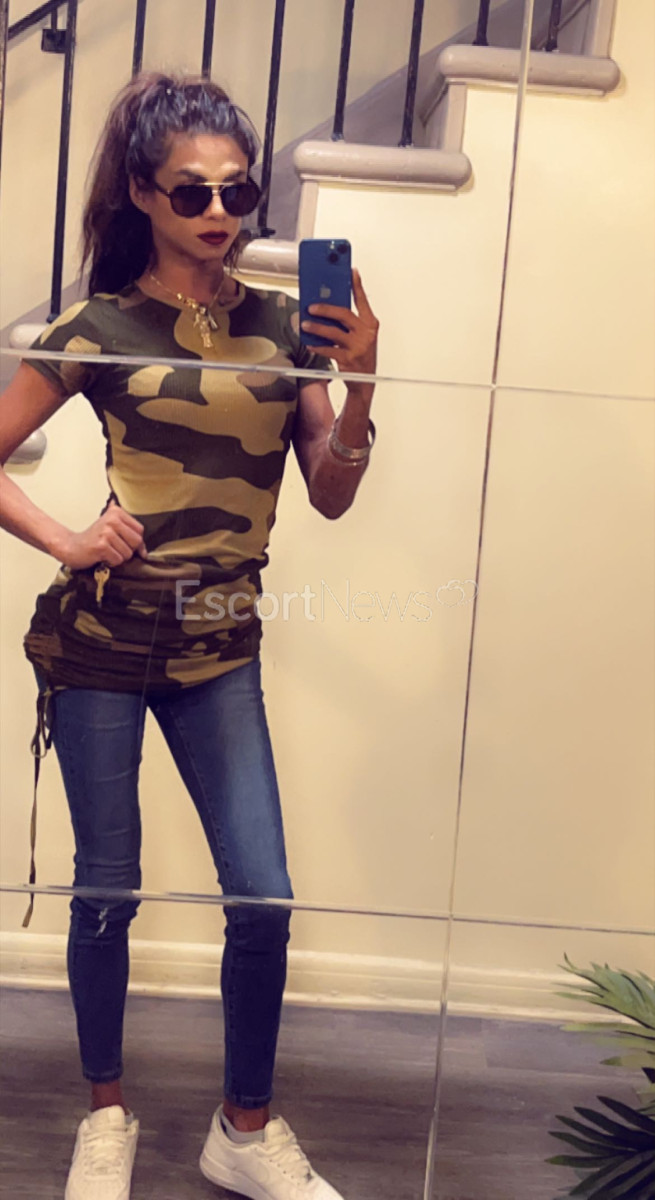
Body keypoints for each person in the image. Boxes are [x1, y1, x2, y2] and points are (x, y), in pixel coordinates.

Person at [0, 73, 378, 1200]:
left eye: (237, 190)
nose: (219, 211)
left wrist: (359, 385)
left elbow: (330, 494)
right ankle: (105, 1118)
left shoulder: (285, 326)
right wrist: (68, 538)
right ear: (142, 193)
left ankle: (243, 1132)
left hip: (221, 648)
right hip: (104, 646)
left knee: (261, 896)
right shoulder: (97, 327)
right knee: (106, 891)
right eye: (191, 191)